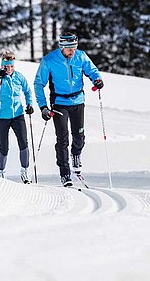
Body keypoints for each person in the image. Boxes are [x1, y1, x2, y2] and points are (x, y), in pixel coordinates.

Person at [33, 32, 103, 187]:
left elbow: (92, 70)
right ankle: (65, 173)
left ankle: (76, 154)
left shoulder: (81, 56)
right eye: (69, 48)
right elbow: (39, 84)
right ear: (62, 47)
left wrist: (97, 79)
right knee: (62, 138)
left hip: (78, 100)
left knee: (79, 136)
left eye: (74, 47)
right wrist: (43, 107)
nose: (72, 51)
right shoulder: (49, 60)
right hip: (59, 103)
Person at [0, 51, 34, 184]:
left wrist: (29, 104)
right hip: (1, 117)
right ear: (3, 66)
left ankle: (25, 172)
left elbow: (27, 91)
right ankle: (1, 172)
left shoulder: (19, 77)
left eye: (11, 66)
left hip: (18, 115)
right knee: (4, 147)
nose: (9, 69)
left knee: (24, 143)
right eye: (7, 67)